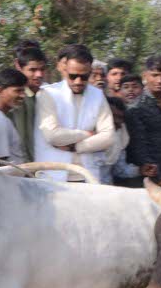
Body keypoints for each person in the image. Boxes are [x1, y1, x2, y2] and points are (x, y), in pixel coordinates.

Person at [35, 44, 115, 179]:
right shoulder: (49, 94)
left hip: (88, 176)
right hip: (54, 176)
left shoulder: (97, 95)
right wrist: (88, 134)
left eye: (84, 77)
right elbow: (52, 136)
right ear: (65, 70)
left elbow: (108, 137)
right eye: (73, 76)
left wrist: (76, 147)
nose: (78, 81)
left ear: (90, 72)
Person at [127, 55, 161, 183]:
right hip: (150, 176)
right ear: (145, 76)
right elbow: (139, 147)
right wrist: (159, 177)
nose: (160, 80)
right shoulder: (136, 107)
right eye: (155, 75)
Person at [10, 42, 47, 161]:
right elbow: (22, 140)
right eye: (33, 70)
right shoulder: (17, 99)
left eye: (42, 69)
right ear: (19, 67)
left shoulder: (46, 94)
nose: (39, 74)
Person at [102, 96, 142, 186]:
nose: (117, 122)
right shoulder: (89, 133)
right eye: (113, 116)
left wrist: (140, 170)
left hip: (105, 187)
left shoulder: (121, 135)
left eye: (120, 117)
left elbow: (120, 170)